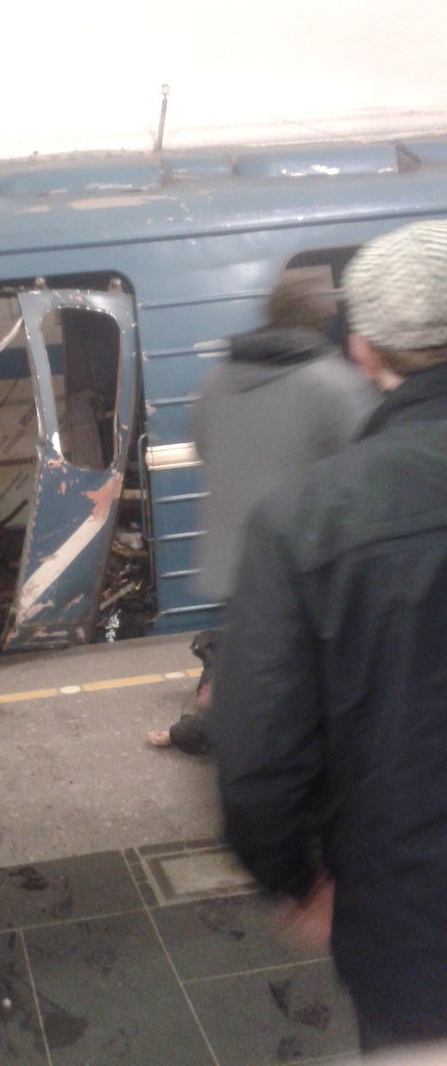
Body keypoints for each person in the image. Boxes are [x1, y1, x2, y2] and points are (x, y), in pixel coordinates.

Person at [211, 219, 447, 1054]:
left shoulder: (306, 519)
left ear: (362, 349)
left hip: (415, 926)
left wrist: (294, 879)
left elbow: (259, 758)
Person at [149, 267, 377, 754]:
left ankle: (245, 752)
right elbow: (369, 470)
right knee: (312, 697)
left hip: (235, 569)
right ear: (321, 320)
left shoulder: (216, 380)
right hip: (309, 571)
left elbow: (204, 448)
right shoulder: (335, 383)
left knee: (260, 689)